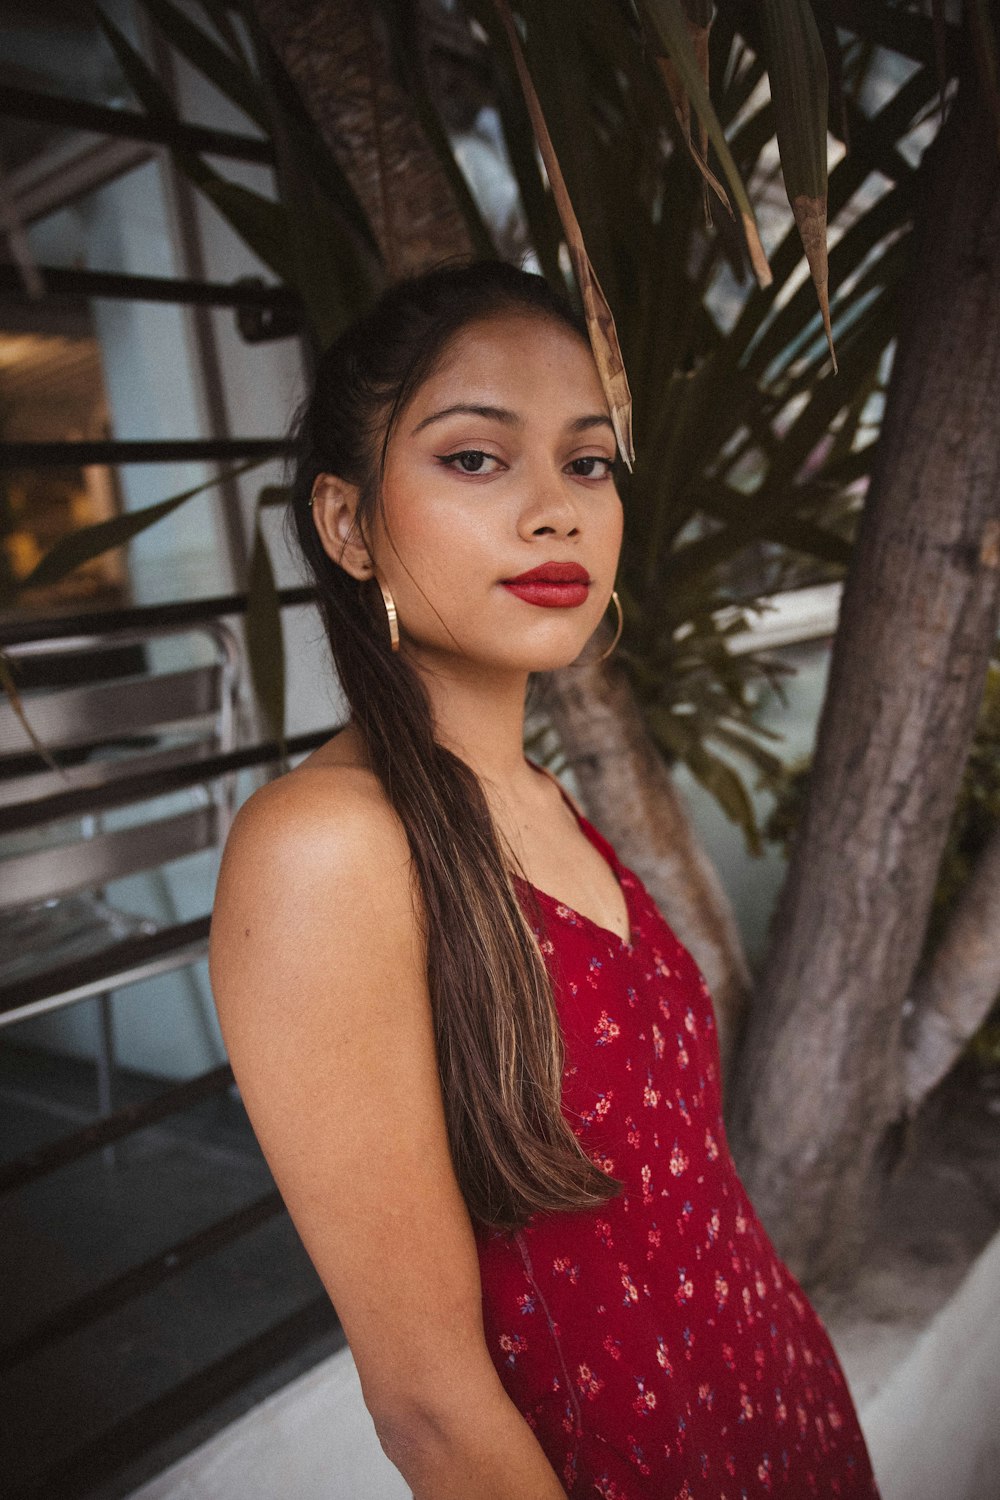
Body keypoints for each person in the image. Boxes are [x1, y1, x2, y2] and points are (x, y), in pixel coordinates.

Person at [208, 258, 881, 1499]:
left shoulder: (539, 796)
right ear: (347, 524)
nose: (557, 510)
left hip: (778, 1416)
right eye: (475, 458)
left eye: (586, 463)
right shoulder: (326, 848)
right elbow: (427, 1408)